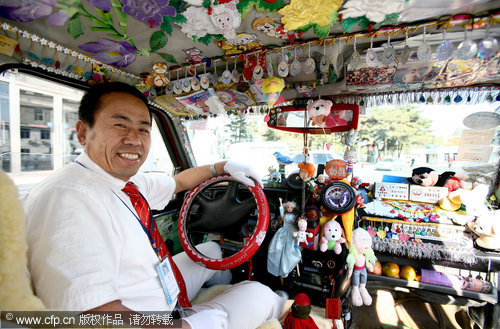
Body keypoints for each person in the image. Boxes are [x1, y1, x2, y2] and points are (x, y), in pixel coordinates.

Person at [23, 82, 285, 329]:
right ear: (83, 132)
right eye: (119, 125)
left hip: (155, 284)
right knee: (258, 293)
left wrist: (223, 167)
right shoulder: (68, 199)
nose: (134, 140)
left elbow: (178, 182)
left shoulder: (122, 181)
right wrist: (185, 325)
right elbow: (92, 314)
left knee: (212, 250)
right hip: (151, 317)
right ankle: (273, 304)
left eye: (143, 129)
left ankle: (219, 295)